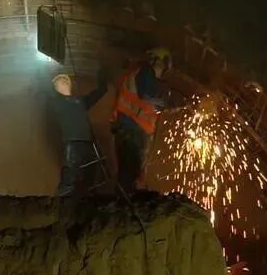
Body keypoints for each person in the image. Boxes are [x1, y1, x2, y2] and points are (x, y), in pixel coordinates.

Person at [111, 47, 174, 194]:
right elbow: (146, 96)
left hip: (126, 128)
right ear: (156, 62)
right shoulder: (146, 71)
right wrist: (166, 104)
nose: (161, 71)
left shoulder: (136, 73)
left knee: (127, 173)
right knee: (129, 173)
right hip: (132, 129)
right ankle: (125, 203)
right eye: (161, 67)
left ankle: (123, 200)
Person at [47, 69, 109, 196]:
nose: (63, 81)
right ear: (55, 88)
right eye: (59, 81)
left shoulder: (80, 101)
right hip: (72, 144)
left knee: (90, 182)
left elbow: (100, 91)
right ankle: (60, 204)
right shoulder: (57, 102)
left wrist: (101, 76)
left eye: (65, 80)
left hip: (88, 144)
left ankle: (86, 203)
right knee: (69, 182)